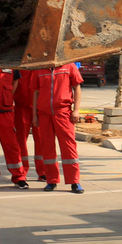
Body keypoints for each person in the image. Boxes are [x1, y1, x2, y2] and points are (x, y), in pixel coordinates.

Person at [32, 63, 84, 193]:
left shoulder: (69, 66)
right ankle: (51, 180)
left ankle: (74, 181)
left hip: (63, 113)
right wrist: (34, 115)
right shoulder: (39, 69)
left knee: (69, 147)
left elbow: (77, 88)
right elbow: (36, 93)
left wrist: (76, 110)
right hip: (44, 114)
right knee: (47, 148)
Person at [12, 69, 45, 182]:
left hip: (40, 108)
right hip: (21, 106)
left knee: (42, 140)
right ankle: (21, 171)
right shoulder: (19, 66)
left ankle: (43, 171)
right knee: (20, 141)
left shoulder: (42, 66)